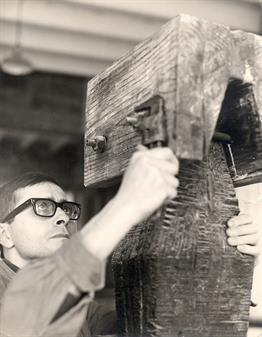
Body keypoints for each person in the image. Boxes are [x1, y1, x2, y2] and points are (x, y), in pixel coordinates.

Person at [0, 146, 259, 337]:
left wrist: (229, 267)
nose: (61, 216)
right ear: (5, 234)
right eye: (42, 206)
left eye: (66, 208)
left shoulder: (82, 310)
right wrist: (127, 204)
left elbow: (155, 326)